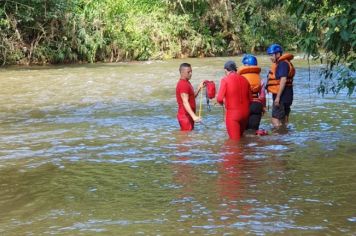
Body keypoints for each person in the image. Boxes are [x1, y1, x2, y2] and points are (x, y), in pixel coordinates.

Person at [216, 61, 252, 140]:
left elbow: (219, 98)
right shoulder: (245, 79)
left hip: (233, 114)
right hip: (245, 114)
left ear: (226, 70)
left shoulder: (225, 80)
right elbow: (250, 100)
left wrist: (223, 104)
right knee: (242, 139)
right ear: (235, 70)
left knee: (234, 143)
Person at [266, 44, 295, 128]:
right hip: (288, 95)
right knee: (284, 120)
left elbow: (283, 80)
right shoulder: (285, 63)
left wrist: (278, 97)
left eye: (271, 55)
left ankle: (278, 139)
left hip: (281, 96)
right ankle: (285, 138)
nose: (270, 58)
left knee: (275, 120)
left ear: (278, 54)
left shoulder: (282, 64)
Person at [238, 54, 266, 132]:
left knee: (243, 132)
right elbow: (262, 96)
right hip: (257, 106)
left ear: (246, 65)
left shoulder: (240, 78)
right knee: (253, 131)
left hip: (244, 105)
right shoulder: (260, 78)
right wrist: (263, 107)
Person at [176, 63, 204, 131]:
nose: (191, 73)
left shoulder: (187, 82)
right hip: (185, 116)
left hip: (188, 116)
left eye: (191, 71)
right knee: (186, 138)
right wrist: (194, 116)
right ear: (182, 72)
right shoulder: (183, 84)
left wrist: (199, 88)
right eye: (188, 72)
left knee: (189, 137)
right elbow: (185, 102)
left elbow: (191, 97)